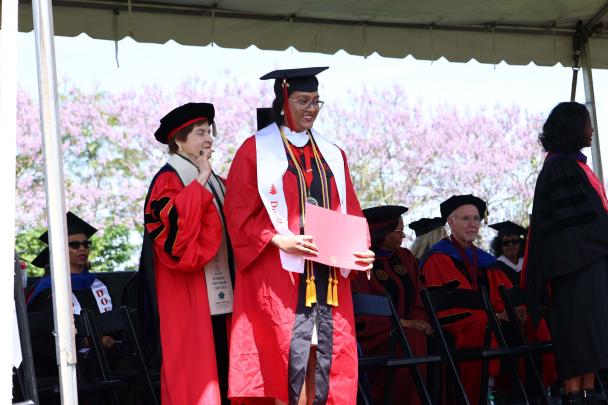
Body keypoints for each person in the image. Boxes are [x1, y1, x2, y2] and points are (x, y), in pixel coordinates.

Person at [224, 67, 374, 405]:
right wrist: (278, 239)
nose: (311, 109)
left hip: (327, 277)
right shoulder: (255, 152)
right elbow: (236, 214)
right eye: (302, 101)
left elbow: (351, 209)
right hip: (280, 278)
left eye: (316, 102)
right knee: (284, 355)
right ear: (283, 101)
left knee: (324, 356)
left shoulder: (333, 154)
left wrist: (361, 248)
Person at [139, 102, 231, 404]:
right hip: (187, 293)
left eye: (210, 132)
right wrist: (201, 181)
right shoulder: (169, 179)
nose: (209, 140)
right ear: (178, 140)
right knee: (197, 373)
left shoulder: (217, 181)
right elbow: (174, 235)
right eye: (201, 133)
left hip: (221, 288)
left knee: (226, 365)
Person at [525, 102, 608, 405]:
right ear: (574, 128)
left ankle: (587, 396)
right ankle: (575, 398)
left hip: (584, 264)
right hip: (574, 270)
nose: (592, 130)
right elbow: (581, 221)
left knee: (589, 344)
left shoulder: (568, 164)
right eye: (587, 123)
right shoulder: (562, 167)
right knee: (578, 345)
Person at [419, 195, 513, 405]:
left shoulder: (484, 259)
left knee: (531, 323)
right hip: (458, 326)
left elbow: (502, 291)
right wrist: (495, 314)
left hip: (487, 318)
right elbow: (457, 303)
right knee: (483, 325)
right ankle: (480, 397)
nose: (472, 224)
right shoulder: (438, 258)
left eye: (476, 219)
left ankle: (532, 393)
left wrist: (512, 310)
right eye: (465, 219)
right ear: (451, 223)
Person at [351, 205, 432, 405]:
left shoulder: (406, 258)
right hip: (377, 337)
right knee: (412, 339)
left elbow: (419, 297)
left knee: (436, 337)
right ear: (383, 233)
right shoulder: (360, 261)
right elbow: (360, 310)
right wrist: (402, 324)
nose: (403, 236)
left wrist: (419, 320)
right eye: (399, 231)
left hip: (410, 332)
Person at [489, 221, 526, 286]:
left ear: (521, 244)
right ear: (499, 246)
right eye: (505, 242)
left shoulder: (527, 262)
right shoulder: (498, 268)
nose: (510, 245)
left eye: (514, 241)